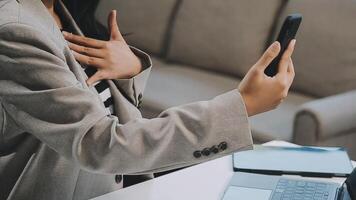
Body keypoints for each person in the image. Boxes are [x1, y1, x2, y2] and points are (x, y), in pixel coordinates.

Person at [0, 0, 296, 199]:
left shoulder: (59, 10)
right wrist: (241, 106)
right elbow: (101, 142)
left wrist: (132, 70)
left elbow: (95, 106)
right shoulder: (16, 29)